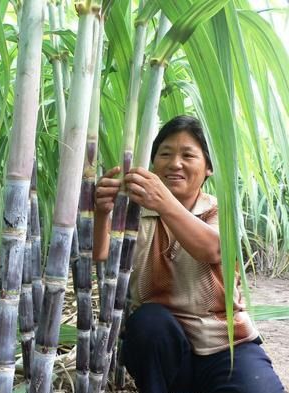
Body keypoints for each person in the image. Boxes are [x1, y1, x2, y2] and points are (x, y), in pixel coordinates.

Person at [92, 115, 286, 393]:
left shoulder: (220, 210)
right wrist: (103, 212)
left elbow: (213, 248)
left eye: (188, 155)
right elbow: (102, 255)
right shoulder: (135, 214)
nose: (174, 163)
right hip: (165, 345)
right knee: (148, 322)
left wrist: (165, 203)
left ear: (208, 167)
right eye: (165, 154)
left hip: (225, 343)